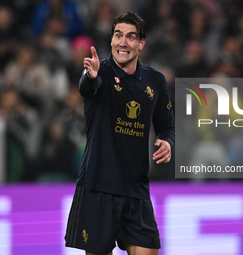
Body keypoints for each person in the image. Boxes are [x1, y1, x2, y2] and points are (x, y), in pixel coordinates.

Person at [65, 11, 174, 255]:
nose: (123, 42)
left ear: (141, 43)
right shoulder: (98, 71)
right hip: (98, 188)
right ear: (112, 40)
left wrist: (166, 140)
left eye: (131, 37)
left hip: (136, 190)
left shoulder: (155, 81)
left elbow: (166, 125)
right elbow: (87, 86)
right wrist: (90, 77)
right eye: (118, 35)